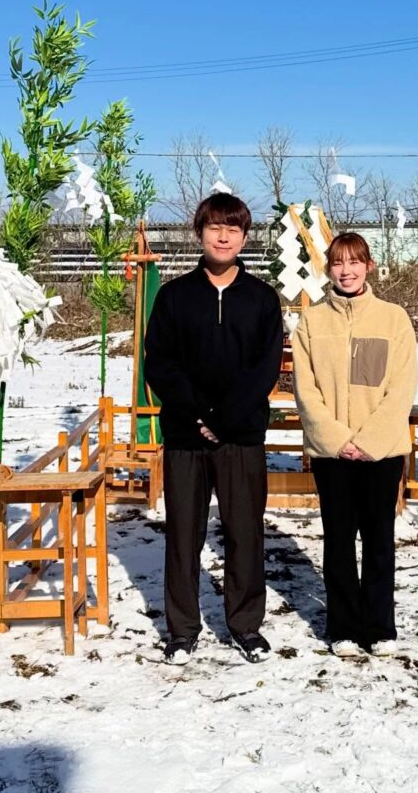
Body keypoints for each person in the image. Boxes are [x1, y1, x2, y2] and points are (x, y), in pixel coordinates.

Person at [145, 193, 283, 665]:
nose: (223, 237)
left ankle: (245, 625)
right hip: (185, 435)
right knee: (184, 534)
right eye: (214, 228)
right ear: (199, 233)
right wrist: (199, 414)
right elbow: (160, 365)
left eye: (233, 229)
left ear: (244, 237)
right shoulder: (174, 296)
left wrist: (224, 419)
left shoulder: (262, 299)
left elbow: (263, 370)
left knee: (245, 532)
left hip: (240, 436)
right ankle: (182, 629)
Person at [291, 232, 417, 657]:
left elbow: (401, 389)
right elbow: (306, 390)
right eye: (339, 263)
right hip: (333, 454)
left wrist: (369, 441)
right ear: (330, 269)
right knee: (339, 540)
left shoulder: (392, 318)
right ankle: (342, 626)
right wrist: (338, 440)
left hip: (381, 453)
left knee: (379, 539)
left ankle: (379, 626)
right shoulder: (312, 322)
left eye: (355, 262)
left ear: (369, 266)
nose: (347, 271)